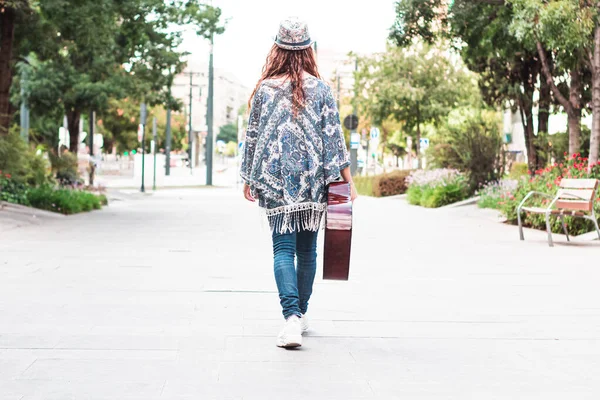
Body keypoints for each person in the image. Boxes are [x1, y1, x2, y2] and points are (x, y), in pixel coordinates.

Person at [240, 17, 357, 348]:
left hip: (275, 181)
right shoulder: (321, 89)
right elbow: (334, 138)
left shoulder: (264, 90)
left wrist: (248, 177)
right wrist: (348, 182)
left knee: (282, 248)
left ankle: (291, 318)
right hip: (312, 181)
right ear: (308, 51)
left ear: (276, 50)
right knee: (307, 250)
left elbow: (253, 137)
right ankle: (300, 315)